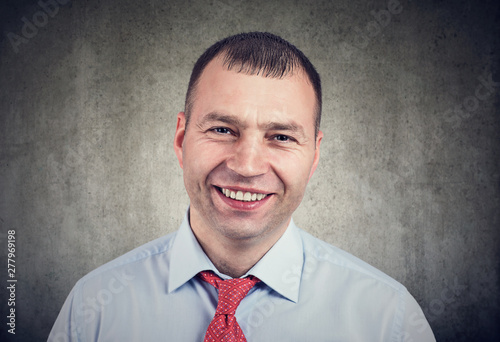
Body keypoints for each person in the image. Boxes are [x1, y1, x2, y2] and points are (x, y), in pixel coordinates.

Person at [48, 32, 435, 341]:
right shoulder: (92, 310)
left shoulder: (389, 320)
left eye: (281, 137)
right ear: (182, 140)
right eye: (221, 129)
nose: (247, 166)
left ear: (314, 156)